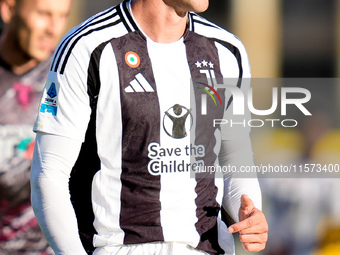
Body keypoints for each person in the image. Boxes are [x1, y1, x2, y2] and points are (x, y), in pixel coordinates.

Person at [30, 0, 268, 254]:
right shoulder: (87, 46)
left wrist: (249, 213)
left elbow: (235, 158)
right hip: (117, 247)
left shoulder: (227, 50)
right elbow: (48, 175)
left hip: (206, 247)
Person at [0, 0, 72, 253]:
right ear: (9, 10)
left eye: (62, 16)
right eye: (43, 14)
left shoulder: (69, 78)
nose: (53, 28)